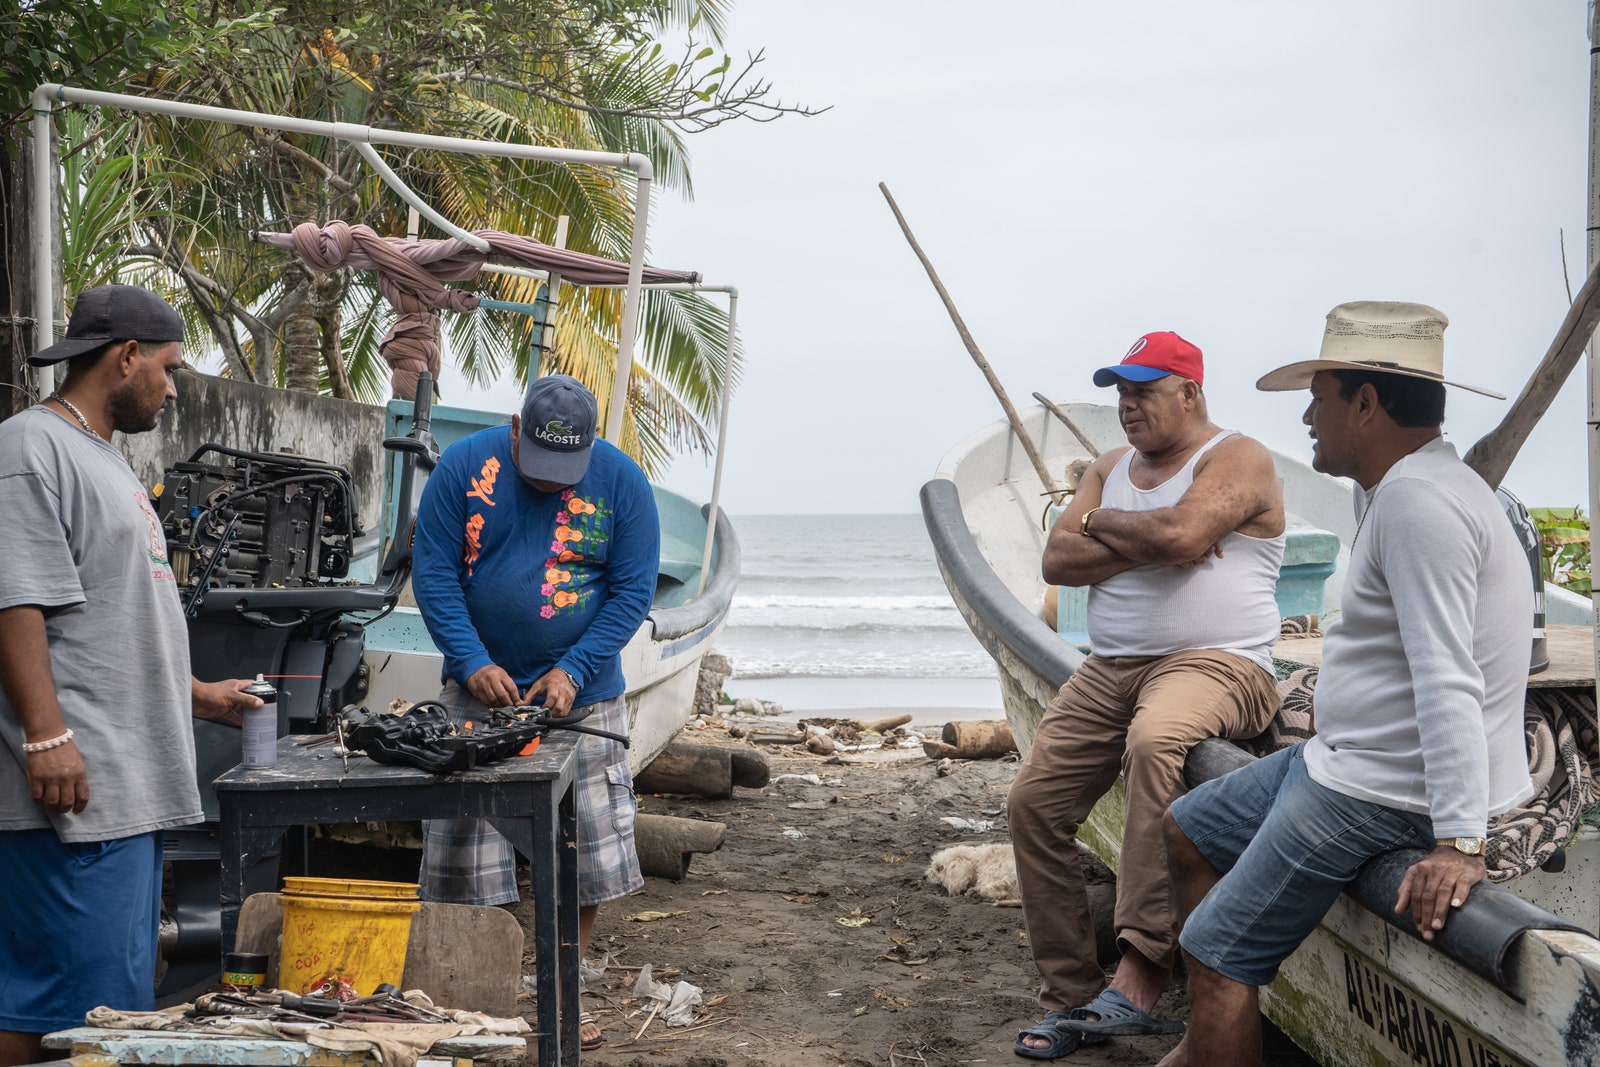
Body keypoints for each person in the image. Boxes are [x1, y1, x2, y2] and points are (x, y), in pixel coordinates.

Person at [1158, 301, 1534, 1067]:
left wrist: (1461, 841)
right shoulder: (1405, 485)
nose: (1306, 415)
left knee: (1214, 951)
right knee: (1189, 827)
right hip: (1345, 756)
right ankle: (1211, 1042)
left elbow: (1448, 677)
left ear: (1365, 404)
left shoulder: (1419, 502)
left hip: (1380, 788)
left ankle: (1221, 1010)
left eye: (1320, 395)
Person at [0, 284, 263, 1067]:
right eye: (169, 367)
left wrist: (198, 697)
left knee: (98, 1003)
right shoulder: (28, 449)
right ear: (125, 358)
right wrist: (47, 734)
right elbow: (14, 602)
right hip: (76, 793)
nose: (174, 387)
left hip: (122, 791)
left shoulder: (99, 456)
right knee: (60, 1010)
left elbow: (105, 626)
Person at [1011, 331, 1287, 1060]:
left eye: (1143, 390)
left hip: (1217, 662)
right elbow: (1059, 558)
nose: (1127, 405)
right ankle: (1072, 996)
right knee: (1033, 802)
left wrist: (1107, 523)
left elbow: (1184, 530)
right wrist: (1144, 531)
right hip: (1110, 665)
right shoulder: (1108, 466)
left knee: (1156, 740)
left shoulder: (1236, 456)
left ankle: (1138, 972)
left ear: (1189, 393)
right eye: (1121, 392)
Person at [411, 373, 659, 1052]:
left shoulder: (623, 483)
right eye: (541, 468)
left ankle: (564, 988)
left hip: (585, 694)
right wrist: (471, 660)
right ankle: (472, 995)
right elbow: (433, 573)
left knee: (586, 849)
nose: (553, 484)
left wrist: (574, 668)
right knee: (466, 853)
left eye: (567, 471)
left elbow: (633, 588)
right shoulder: (464, 468)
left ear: (592, 445)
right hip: (477, 692)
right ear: (514, 429)